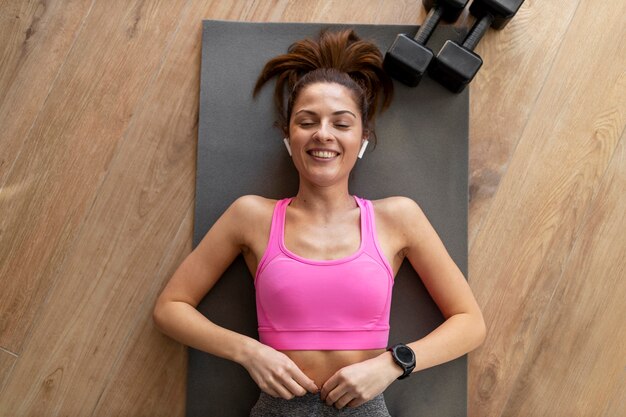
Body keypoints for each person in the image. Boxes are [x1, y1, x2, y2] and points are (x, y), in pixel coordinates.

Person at [153, 29, 486, 416]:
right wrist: (249, 352)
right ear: (288, 136)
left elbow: (470, 323)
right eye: (307, 121)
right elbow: (170, 308)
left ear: (363, 138)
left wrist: (392, 364)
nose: (323, 134)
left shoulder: (398, 217)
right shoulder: (251, 216)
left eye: (341, 124)